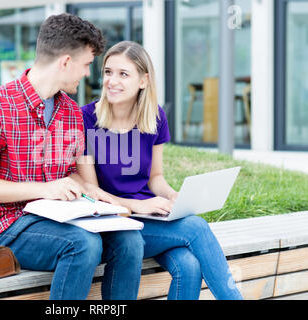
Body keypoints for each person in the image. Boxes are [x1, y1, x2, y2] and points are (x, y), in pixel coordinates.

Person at [0, 14, 145, 300]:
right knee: (83, 245)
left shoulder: (69, 110)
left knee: (130, 241)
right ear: (66, 62)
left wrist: (92, 193)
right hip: (7, 226)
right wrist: (45, 189)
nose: (87, 75)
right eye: (87, 65)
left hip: (60, 219)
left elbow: (73, 171)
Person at [76, 40, 243, 300]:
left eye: (123, 74)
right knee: (197, 228)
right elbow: (92, 192)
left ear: (143, 80)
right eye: (108, 72)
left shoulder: (154, 117)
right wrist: (136, 206)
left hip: (149, 217)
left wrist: (173, 195)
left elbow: (155, 178)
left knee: (188, 265)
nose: (112, 80)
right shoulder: (85, 119)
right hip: (113, 223)